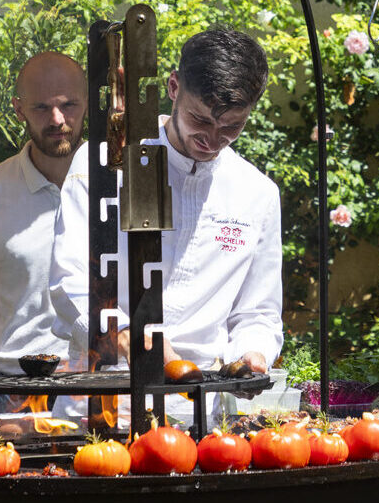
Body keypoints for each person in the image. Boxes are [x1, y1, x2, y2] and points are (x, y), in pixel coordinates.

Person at [49, 28, 283, 424]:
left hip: (199, 412)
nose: (212, 139)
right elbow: (69, 279)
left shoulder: (256, 193)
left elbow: (258, 311)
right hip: (99, 401)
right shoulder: (103, 164)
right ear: (173, 87)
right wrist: (132, 338)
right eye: (199, 119)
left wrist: (253, 354)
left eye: (231, 127)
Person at [0, 52, 87, 412]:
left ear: (88, 102)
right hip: (10, 392)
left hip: (99, 389)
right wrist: (8, 356)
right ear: (18, 109)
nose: (57, 119)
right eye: (41, 107)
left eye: (68, 105)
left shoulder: (119, 187)